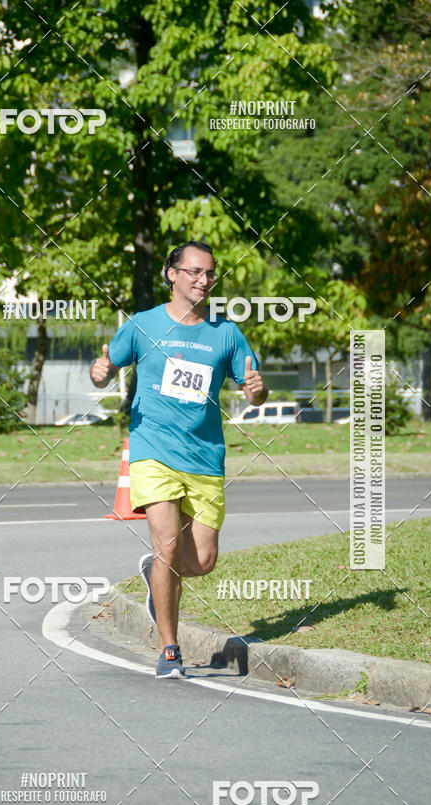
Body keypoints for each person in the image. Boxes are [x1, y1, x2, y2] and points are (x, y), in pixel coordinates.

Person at [90, 240, 268, 678]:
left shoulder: (225, 333)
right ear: (172, 274)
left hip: (205, 457)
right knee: (168, 546)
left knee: (202, 562)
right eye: (193, 272)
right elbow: (105, 364)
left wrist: (256, 390)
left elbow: (255, 387)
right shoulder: (143, 325)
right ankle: (170, 648)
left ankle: (155, 573)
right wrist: (100, 372)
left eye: (209, 273)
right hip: (153, 450)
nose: (202, 280)